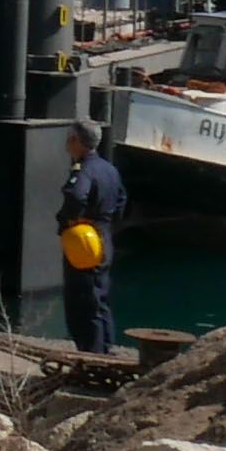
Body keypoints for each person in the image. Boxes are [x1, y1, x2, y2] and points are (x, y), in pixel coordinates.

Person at [58, 119, 128, 355]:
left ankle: (91, 355)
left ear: (77, 141)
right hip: (104, 236)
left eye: (70, 138)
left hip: (86, 240)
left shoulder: (84, 170)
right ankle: (106, 349)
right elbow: (121, 201)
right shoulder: (110, 169)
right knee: (100, 298)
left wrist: (70, 220)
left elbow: (77, 196)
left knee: (82, 301)